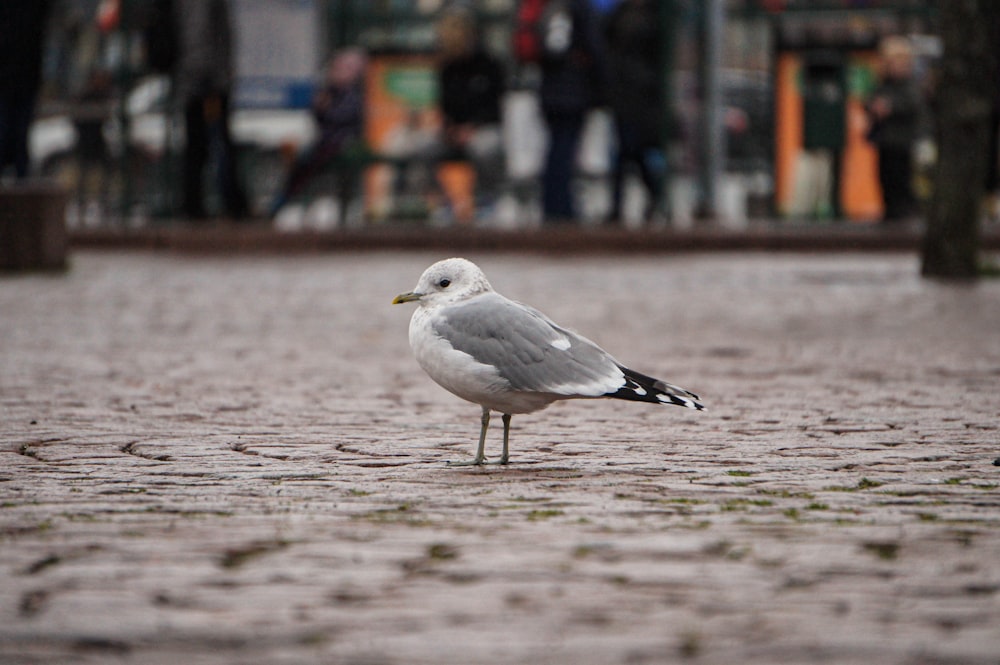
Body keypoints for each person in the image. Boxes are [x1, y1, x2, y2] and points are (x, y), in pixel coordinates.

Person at [517, 0, 608, 224]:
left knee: (555, 148)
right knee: (565, 150)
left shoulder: (552, 6)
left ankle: (552, 204)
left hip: (549, 90)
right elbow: (594, 48)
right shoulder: (579, 8)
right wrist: (602, 85)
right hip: (573, 91)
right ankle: (562, 208)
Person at [269, 48, 367, 218]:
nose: (335, 74)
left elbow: (341, 117)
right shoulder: (330, 92)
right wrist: (319, 107)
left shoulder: (354, 94)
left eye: (341, 69)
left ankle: (286, 200)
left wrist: (326, 109)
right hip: (325, 142)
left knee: (308, 162)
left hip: (341, 143)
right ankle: (286, 200)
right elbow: (318, 118)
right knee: (300, 160)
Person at [173, 0, 248, 220]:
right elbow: (199, 35)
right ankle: (222, 203)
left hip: (197, 80)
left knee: (202, 144)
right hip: (205, 83)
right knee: (213, 143)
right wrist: (211, 78)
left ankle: (198, 203)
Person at [434, 8, 506, 220]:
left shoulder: (489, 65)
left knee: (484, 148)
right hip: (454, 132)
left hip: (484, 128)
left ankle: (487, 201)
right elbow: (445, 106)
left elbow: (495, 108)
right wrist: (451, 129)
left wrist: (472, 127)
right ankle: (443, 204)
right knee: (420, 147)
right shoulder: (448, 68)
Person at [603, 0, 664, 225]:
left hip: (643, 96)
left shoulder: (655, 14)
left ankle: (649, 197)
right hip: (625, 95)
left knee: (632, 150)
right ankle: (634, 201)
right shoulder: (622, 13)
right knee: (626, 151)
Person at [866, 36, 920, 222]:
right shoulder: (882, 83)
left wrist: (891, 107)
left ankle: (903, 212)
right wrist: (873, 106)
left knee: (901, 177)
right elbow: (869, 100)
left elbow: (913, 104)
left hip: (902, 140)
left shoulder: (910, 85)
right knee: (884, 176)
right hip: (885, 140)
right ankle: (890, 210)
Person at [0, 1, 53, 180]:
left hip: (22, 73)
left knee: (16, 129)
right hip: (20, 73)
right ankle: (17, 171)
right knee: (12, 128)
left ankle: (18, 172)